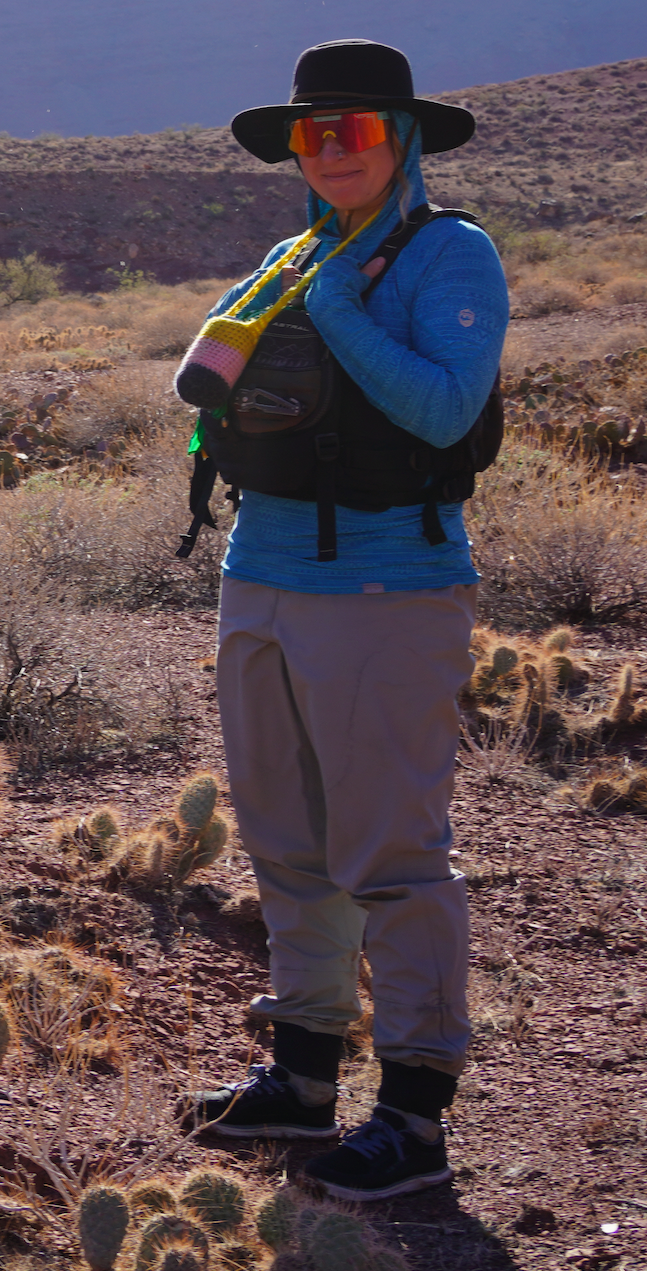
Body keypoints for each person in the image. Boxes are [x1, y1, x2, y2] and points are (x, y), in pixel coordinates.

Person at [165, 38, 508, 1203]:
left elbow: (444, 400)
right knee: (286, 838)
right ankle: (303, 1077)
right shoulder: (293, 255)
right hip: (260, 577)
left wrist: (336, 310)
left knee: (392, 855)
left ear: (403, 139)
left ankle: (413, 1114)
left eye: (354, 131)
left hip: (387, 587)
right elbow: (202, 383)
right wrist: (300, 286)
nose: (330, 153)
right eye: (313, 135)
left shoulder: (449, 254)